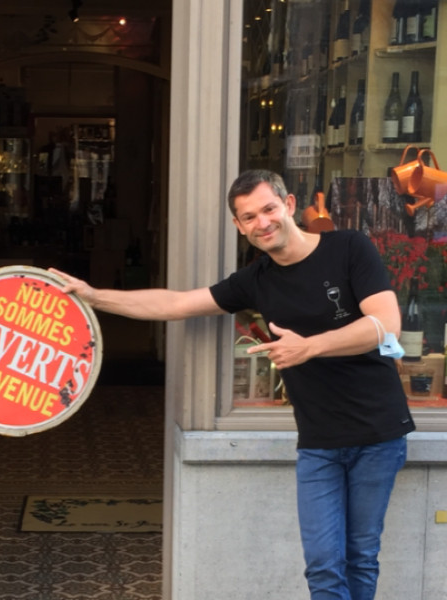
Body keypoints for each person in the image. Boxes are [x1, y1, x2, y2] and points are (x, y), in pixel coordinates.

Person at [50, 169, 414, 600]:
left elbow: (385, 325)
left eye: (268, 209)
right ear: (239, 226)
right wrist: (94, 296)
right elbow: (175, 303)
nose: (262, 223)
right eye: (248, 217)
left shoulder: (349, 248)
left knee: (360, 556)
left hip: (378, 433)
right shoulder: (255, 280)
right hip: (320, 440)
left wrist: (310, 347)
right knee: (323, 566)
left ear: (289, 205)